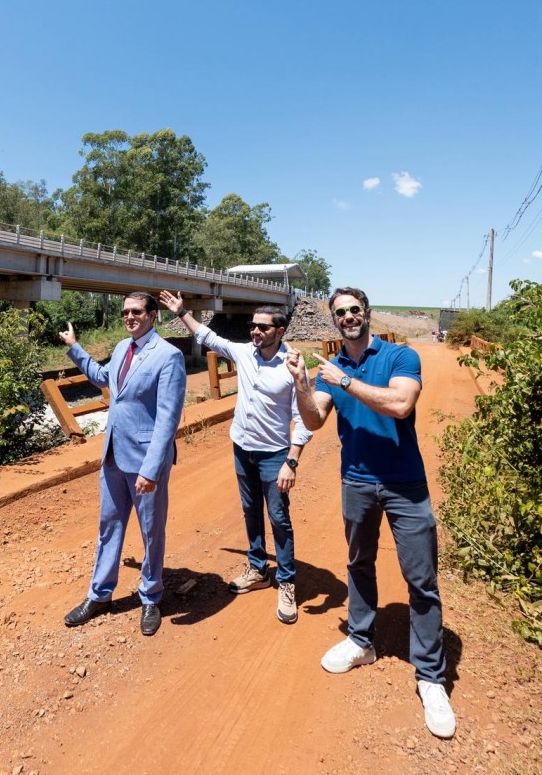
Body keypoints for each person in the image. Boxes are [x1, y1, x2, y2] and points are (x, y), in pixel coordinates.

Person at [285, 287, 456, 739]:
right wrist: (304, 385)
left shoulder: (400, 356)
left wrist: (344, 381)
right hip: (356, 481)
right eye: (339, 312)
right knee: (358, 562)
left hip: (404, 482)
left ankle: (430, 677)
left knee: (420, 576)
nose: (348, 317)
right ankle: (362, 641)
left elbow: (400, 404)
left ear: (367, 313)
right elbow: (316, 419)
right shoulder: (330, 370)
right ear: (333, 319)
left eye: (354, 309)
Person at [159, 289, 312, 625]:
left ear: (280, 331)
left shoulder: (293, 367)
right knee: (249, 510)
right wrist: (183, 312)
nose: (255, 331)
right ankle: (258, 569)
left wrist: (292, 460)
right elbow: (208, 337)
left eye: (263, 327)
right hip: (242, 448)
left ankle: (286, 582)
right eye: (253, 326)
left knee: (278, 518)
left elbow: (303, 419)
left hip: (274, 455)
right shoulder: (244, 352)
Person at [59, 291, 186, 637]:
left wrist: (151, 468)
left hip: (146, 461)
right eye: (125, 312)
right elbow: (103, 378)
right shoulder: (120, 348)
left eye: (136, 312)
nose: (129, 317)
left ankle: (151, 596)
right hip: (113, 456)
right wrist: (75, 347)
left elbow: (167, 419)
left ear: (153, 315)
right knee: (108, 527)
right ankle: (99, 596)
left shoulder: (169, 356)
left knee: (150, 530)